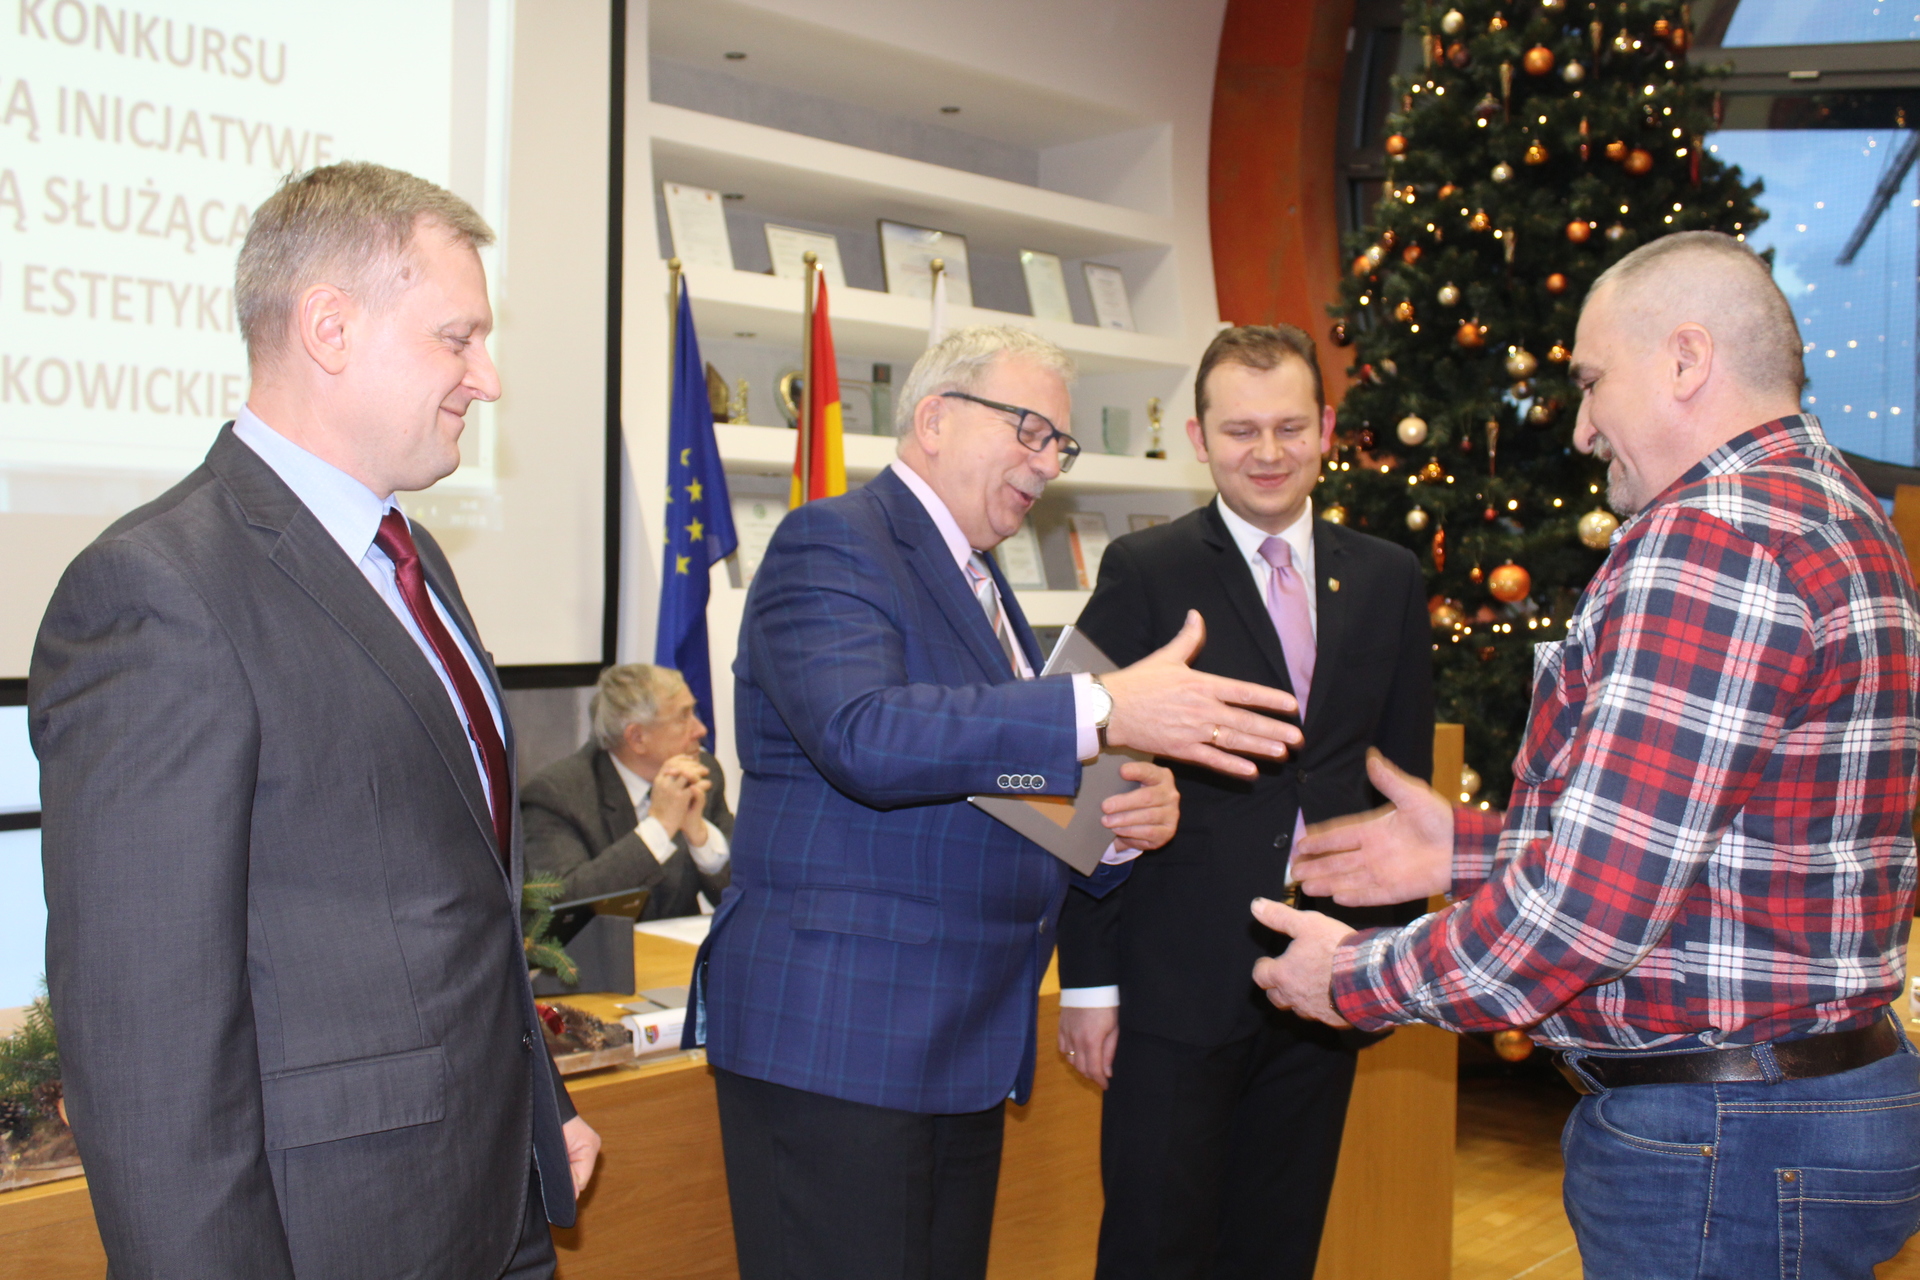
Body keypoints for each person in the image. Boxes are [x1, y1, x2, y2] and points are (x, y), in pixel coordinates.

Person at [1253, 231, 1920, 1280]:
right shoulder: (1837, 511)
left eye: (1591, 381)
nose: (1580, 427)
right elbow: (1731, 840)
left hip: (1725, 1140)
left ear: (1686, 360)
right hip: (1801, 1109)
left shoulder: (1716, 537)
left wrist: (1351, 977)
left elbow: (1592, 909)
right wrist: (1469, 850)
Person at [30, 162, 598, 1280]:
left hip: (495, 1201)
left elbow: (460, 903)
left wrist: (539, 1105)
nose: (486, 379)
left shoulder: (414, 558)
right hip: (337, 1233)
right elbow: (148, 1044)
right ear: (330, 328)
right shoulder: (158, 590)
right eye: (458, 338)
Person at [695, 324, 1306, 1280]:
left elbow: (993, 779)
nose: (1046, 463)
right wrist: (1101, 707)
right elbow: (866, 737)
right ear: (935, 418)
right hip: (843, 1039)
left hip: (959, 1046)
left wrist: (1113, 826)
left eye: (1059, 443)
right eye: (1029, 430)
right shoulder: (833, 541)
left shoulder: (983, 584)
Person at [1056, 324, 1433, 1280]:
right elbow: (1080, 778)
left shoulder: (1388, 575)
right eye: (1239, 431)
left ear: (1326, 431)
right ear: (1198, 438)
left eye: (1289, 427)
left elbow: (1403, 781)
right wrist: (1090, 984)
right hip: (1174, 979)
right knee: (1154, 1248)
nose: (1267, 452)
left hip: (1324, 972)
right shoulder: (1145, 569)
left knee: (1278, 1246)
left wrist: (1386, 962)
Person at [521, 663, 733, 920]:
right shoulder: (557, 795)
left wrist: (701, 838)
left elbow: (741, 894)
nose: (700, 730)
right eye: (683, 717)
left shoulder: (702, 773)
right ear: (637, 738)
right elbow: (561, 905)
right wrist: (659, 828)